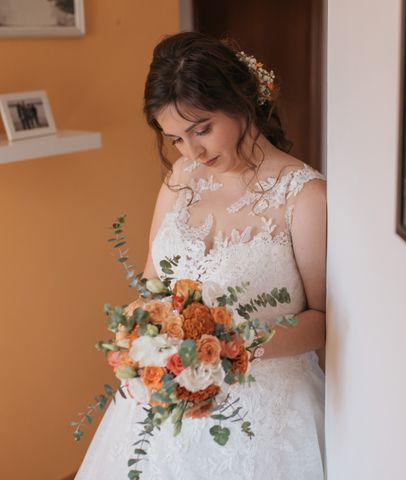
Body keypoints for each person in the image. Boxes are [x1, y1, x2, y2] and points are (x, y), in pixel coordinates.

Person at [76, 32, 326, 479]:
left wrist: (232, 347)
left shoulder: (304, 195)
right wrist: (141, 343)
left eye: (202, 129)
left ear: (242, 99)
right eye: (175, 138)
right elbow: (152, 287)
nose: (193, 152)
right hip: (169, 402)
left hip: (267, 421)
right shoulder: (181, 176)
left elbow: (323, 321)